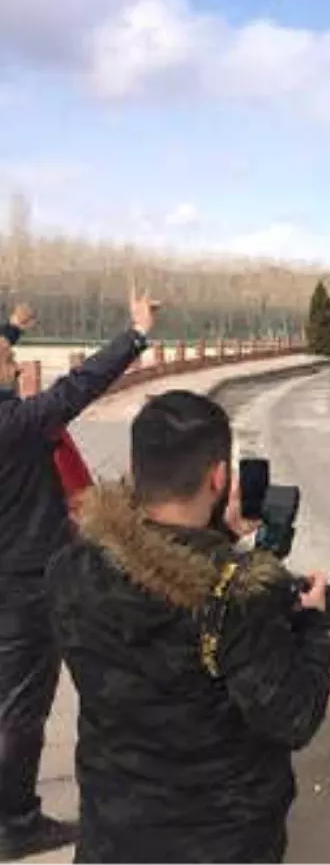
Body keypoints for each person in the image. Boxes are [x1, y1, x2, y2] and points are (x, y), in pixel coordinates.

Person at [45, 389, 330, 865]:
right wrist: (311, 624)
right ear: (219, 477)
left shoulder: (69, 569)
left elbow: (152, 575)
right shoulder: (239, 597)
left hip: (113, 835)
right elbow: (294, 717)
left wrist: (214, 536)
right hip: (222, 842)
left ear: (136, 472)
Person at [0, 292, 156, 859]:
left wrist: (12, 330)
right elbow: (82, 384)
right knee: (21, 707)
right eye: (6, 361)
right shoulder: (15, 424)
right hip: (23, 583)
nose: (15, 366)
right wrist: (136, 336)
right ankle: (15, 822)